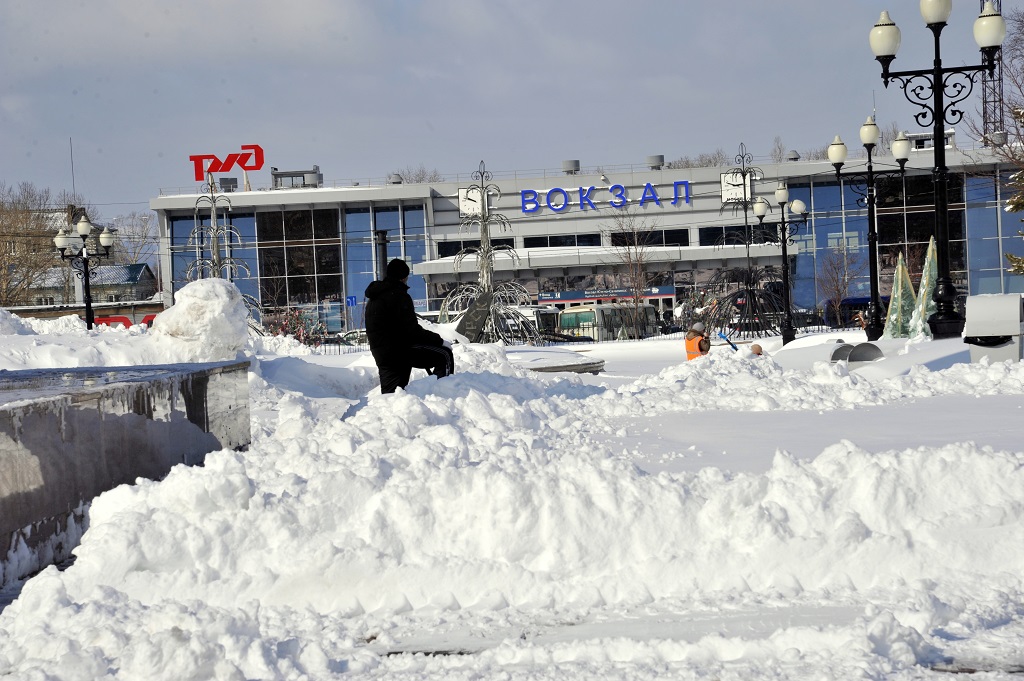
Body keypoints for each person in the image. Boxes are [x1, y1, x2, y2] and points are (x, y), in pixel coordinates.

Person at [364, 258, 454, 394]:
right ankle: (444, 396)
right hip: (400, 351)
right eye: (407, 276)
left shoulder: (374, 298)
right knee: (444, 355)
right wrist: (439, 341)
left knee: (392, 394)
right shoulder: (398, 296)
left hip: (382, 354)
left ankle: (392, 412)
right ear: (402, 277)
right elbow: (411, 331)